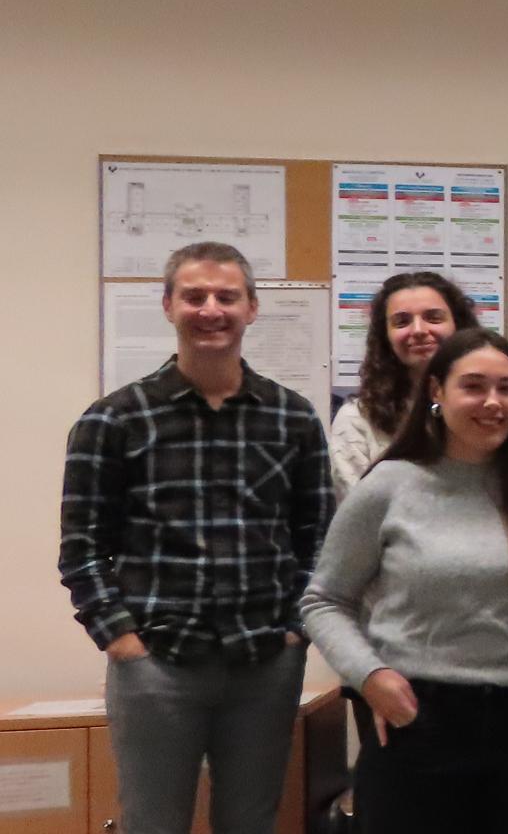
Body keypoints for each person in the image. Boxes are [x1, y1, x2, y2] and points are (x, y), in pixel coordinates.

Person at [60, 242, 330, 834]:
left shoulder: (294, 417)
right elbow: (82, 549)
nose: (211, 309)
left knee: (251, 823)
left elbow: (317, 538)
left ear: (252, 308)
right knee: (152, 824)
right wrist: (121, 639)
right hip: (157, 663)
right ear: (168, 305)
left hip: (264, 661)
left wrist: (295, 631)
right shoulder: (113, 419)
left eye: (226, 296)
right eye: (194, 296)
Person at [303, 328, 508, 834]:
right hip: (416, 725)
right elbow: (324, 600)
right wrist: (370, 676)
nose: (493, 402)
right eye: (473, 386)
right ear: (437, 392)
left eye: (507, 388)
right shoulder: (390, 485)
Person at [331, 271, 481, 496]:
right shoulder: (357, 420)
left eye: (433, 318)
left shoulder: (486, 407)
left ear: (458, 326)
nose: (418, 330)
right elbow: (359, 511)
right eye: (402, 322)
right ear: (385, 336)